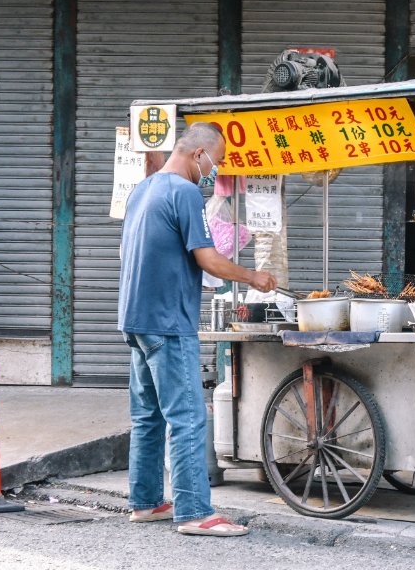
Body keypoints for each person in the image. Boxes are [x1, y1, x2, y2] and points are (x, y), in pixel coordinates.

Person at [119, 123, 277, 537]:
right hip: (169, 322)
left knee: (148, 417)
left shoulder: (144, 189)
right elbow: (207, 258)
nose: (213, 172)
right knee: (188, 418)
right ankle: (194, 512)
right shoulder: (184, 192)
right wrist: (252, 277)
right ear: (197, 155)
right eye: (215, 162)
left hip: (135, 319)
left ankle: (147, 502)